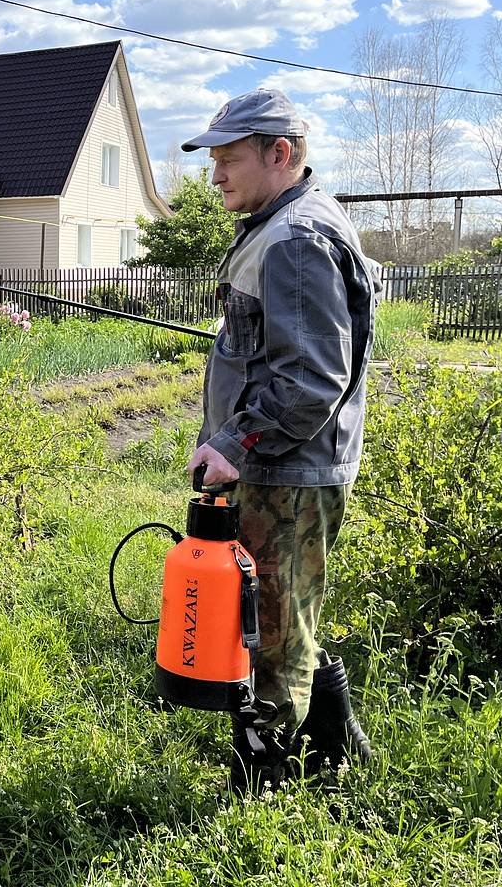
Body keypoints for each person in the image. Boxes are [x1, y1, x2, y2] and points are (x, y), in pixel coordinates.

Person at [180, 88, 381, 794]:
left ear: (280, 154)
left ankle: (264, 785)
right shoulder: (279, 225)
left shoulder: (296, 240)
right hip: (280, 464)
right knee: (281, 615)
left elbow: (310, 379)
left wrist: (235, 441)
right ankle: (334, 742)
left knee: (268, 634)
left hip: (290, 470)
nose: (216, 176)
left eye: (228, 159)